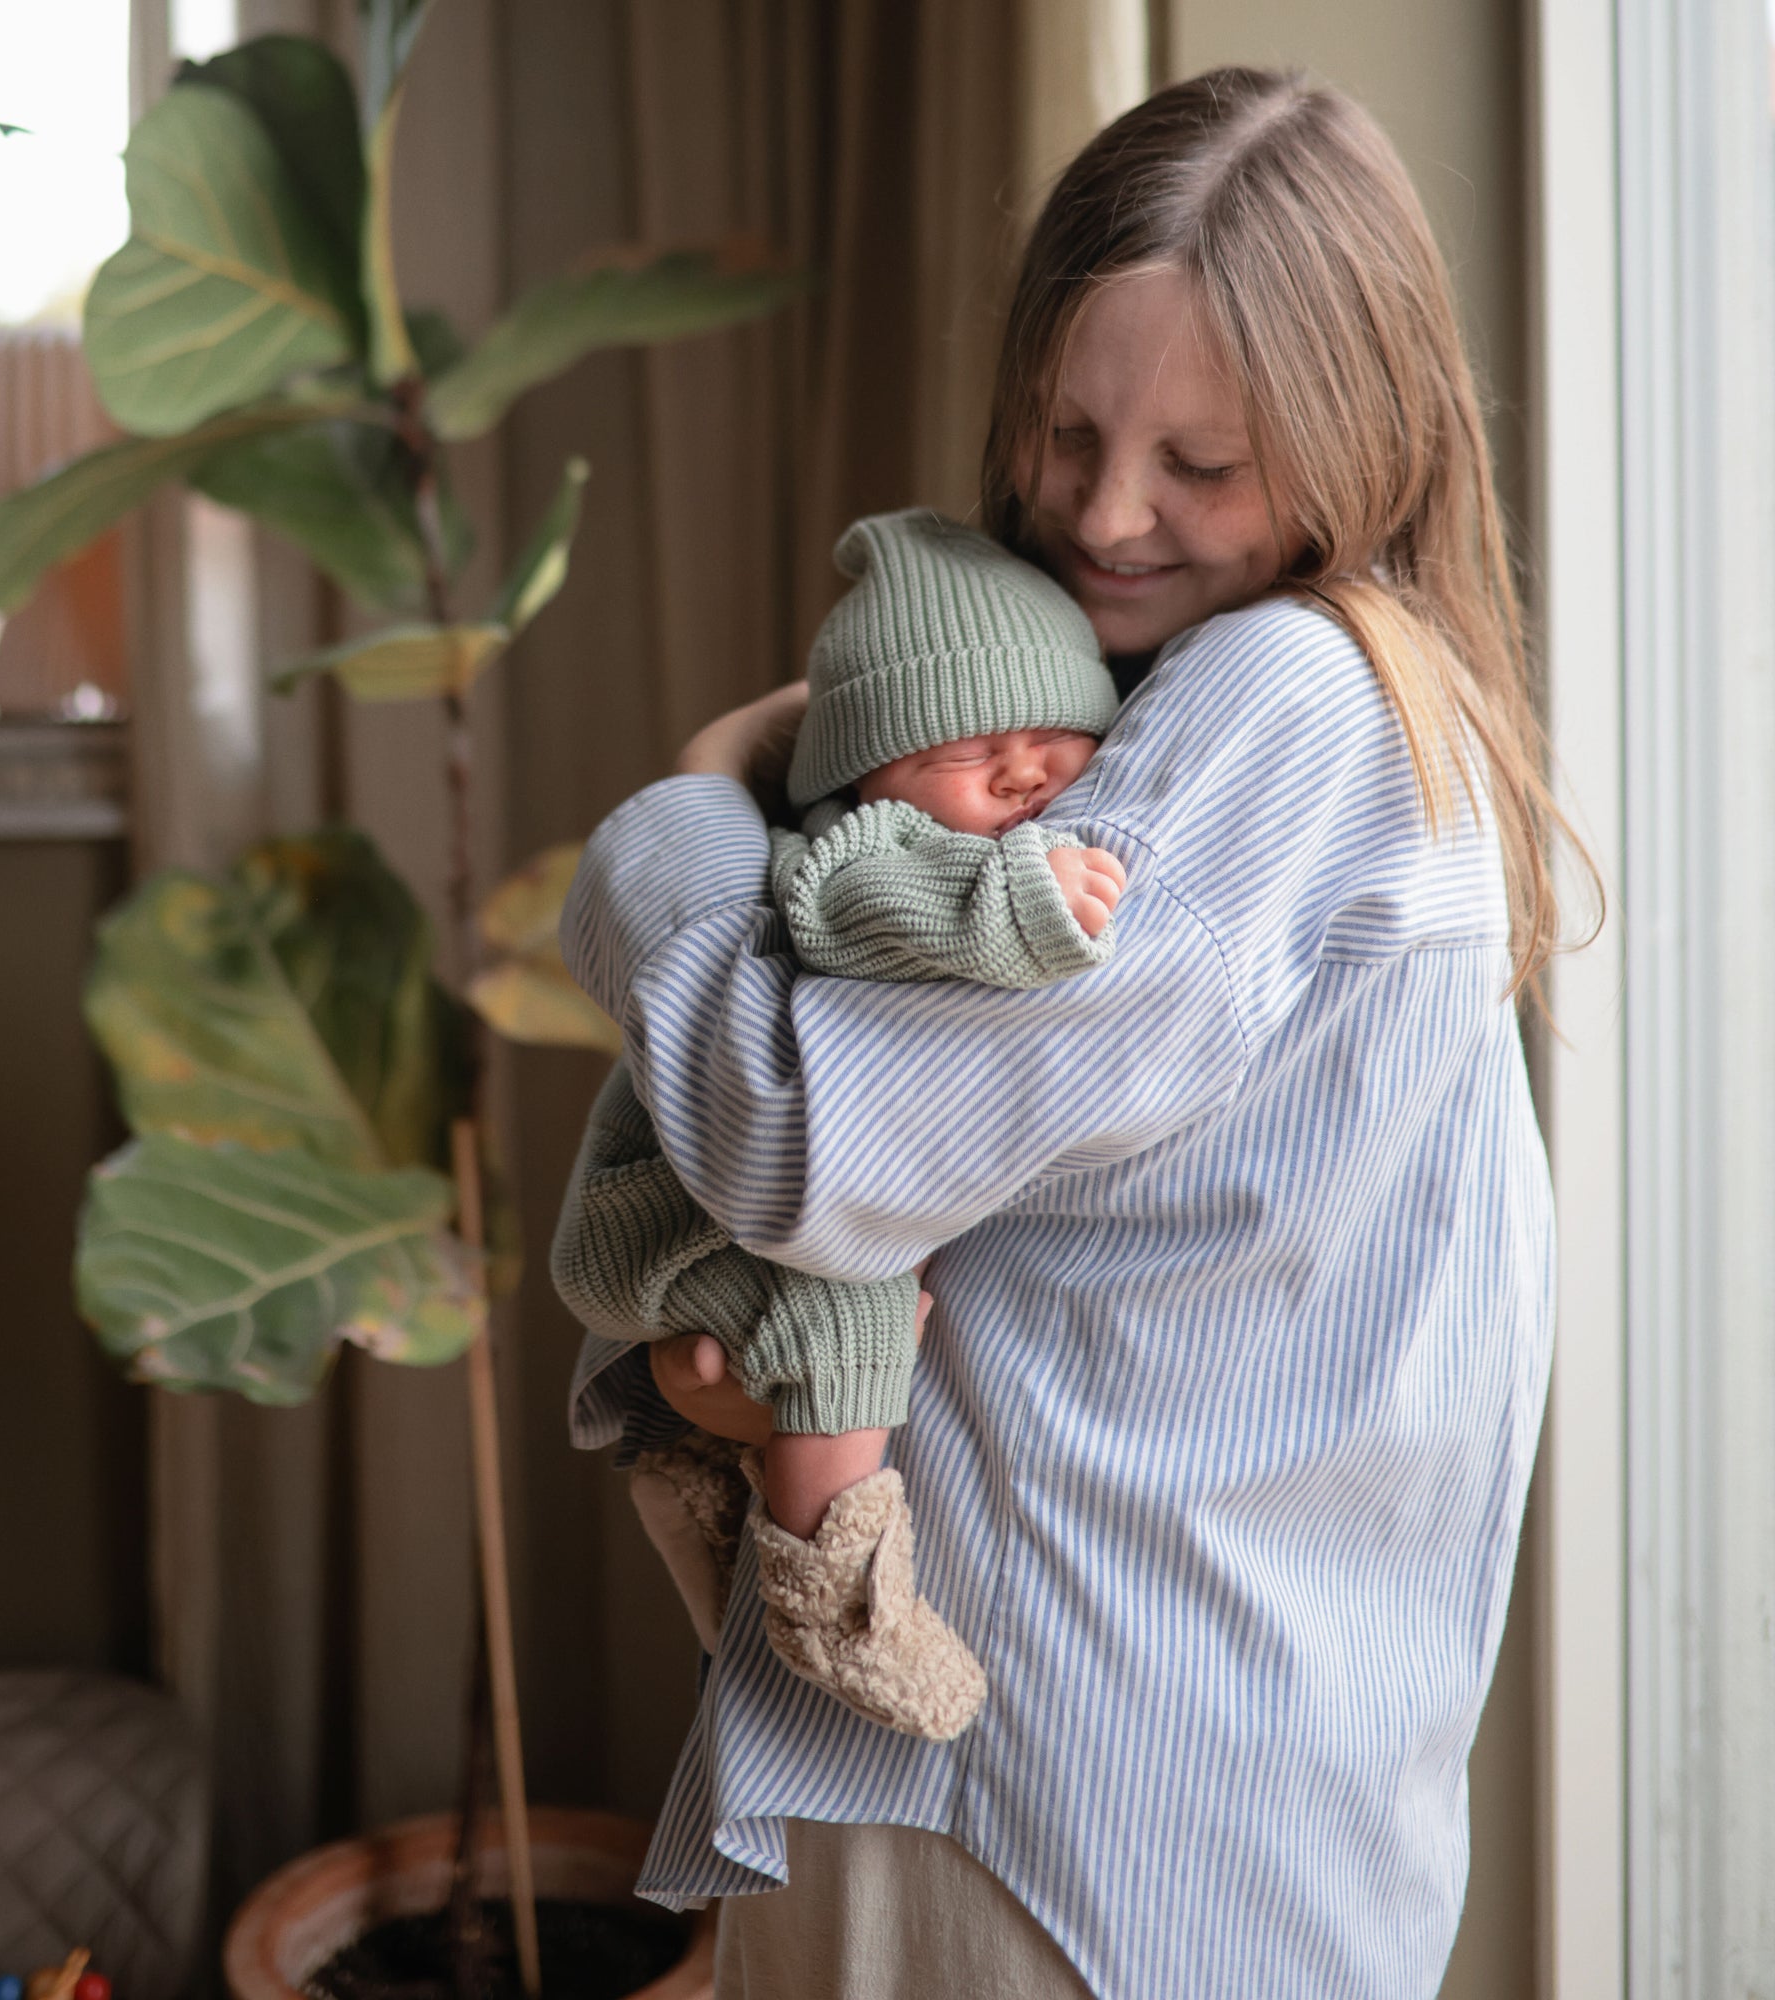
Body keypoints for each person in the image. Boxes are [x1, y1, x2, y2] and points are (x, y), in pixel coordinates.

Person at [563, 65, 1588, 2000]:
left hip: (1064, 1798)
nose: (1109, 515)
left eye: (1202, 464)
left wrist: (687, 811)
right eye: (1070, 431)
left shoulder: (1284, 702)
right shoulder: (1374, 710)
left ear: (1362, 441)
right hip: (1174, 1791)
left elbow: (799, 1137)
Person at [552, 508, 1127, 1741]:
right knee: (850, 1296)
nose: (1024, 771)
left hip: (715, 1223)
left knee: (822, 1314)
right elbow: (855, 911)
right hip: (665, 1214)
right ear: (866, 774)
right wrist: (1016, 896)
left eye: (1056, 738)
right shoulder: (854, 852)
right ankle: (835, 1597)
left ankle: (719, 1502)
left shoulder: (956, 813)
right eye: (970, 748)